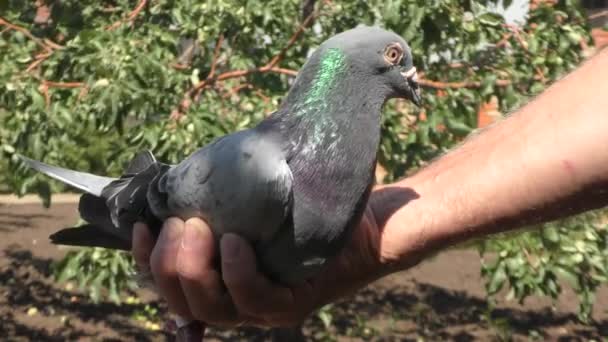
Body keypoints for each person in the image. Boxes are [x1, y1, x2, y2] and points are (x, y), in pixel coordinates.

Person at [131, 47, 608, 328]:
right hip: (179, 205)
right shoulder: (261, 166)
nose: (409, 72)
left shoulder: (357, 175)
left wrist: (377, 228)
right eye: (396, 57)